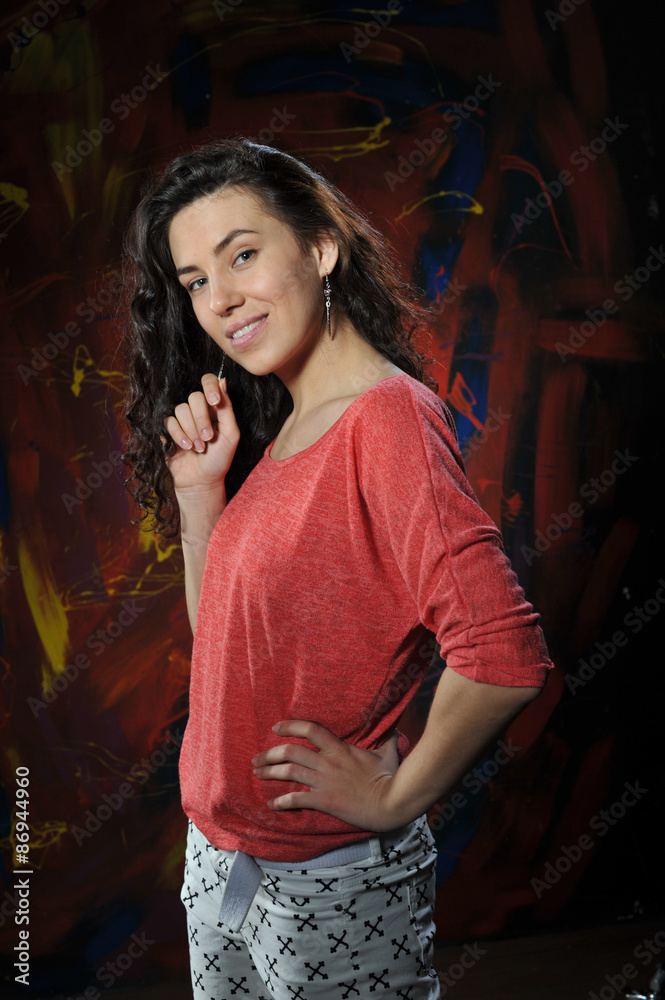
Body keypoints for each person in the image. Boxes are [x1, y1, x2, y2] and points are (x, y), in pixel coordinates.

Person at [121, 137, 554, 999]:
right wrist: (201, 497)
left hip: (326, 878)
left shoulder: (386, 420)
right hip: (224, 860)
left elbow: (504, 657)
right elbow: (225, 652)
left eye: (242, 255)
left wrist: (394, 798)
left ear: (320, 247)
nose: (219, 298)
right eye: (195, 280)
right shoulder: (288, 425)